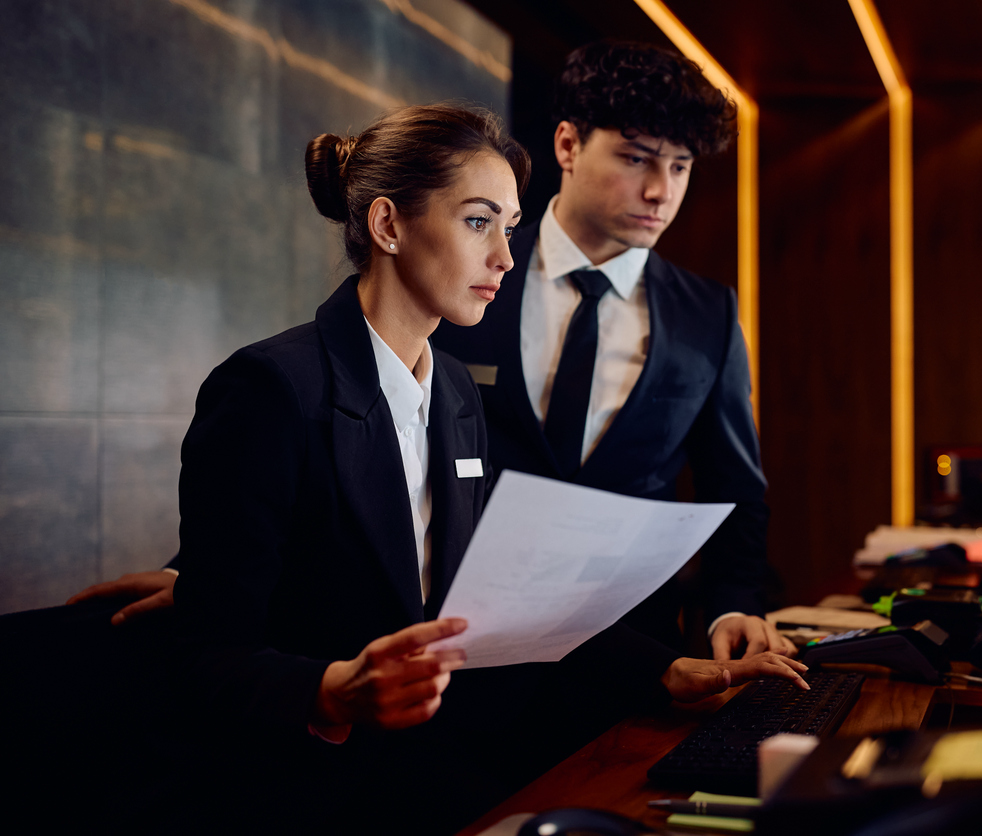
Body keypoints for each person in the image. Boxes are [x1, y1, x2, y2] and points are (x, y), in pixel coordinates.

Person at [151, 103, 805, 829]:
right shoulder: (269, 388)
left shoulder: (456, 389)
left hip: (434, 762)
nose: (505, 257)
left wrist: (664, 670)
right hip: (301, 788)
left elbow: (506, 591)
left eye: (510, 228)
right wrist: (333, 689)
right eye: (477, 222)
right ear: (389, 225)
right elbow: (204, 658)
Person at [430, 40, 791, 663]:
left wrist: (733, 606)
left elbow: (732, 487)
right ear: (567, 145)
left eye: (680, 167)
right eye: (636, 158)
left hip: (642, 656)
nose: (660, 190)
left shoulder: (706, 314)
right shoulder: (466, 272)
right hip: (466, 646)